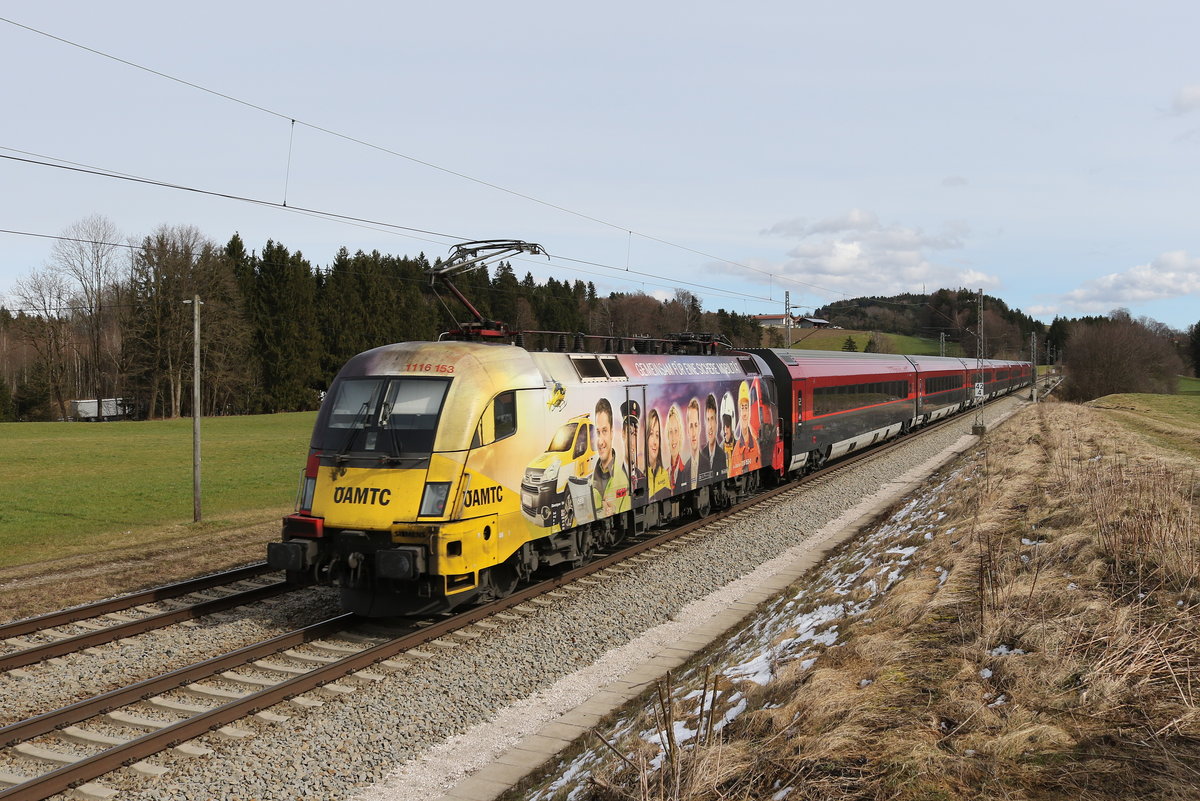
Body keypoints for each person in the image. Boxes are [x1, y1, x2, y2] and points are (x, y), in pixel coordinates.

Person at [591, 398, 629, 517]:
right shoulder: (589, 482)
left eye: (605, 431)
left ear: (612, 433)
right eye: (598, 432)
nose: (600, 441)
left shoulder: (623, 480)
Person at [730, 381, 762, 475]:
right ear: (739, 412)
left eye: (746, 408)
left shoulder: (755, 443)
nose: (744, 413)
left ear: (749, 411)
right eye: (742, 408)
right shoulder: (736, 447)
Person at [620, 399, 645, 502]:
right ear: (623, 434)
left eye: (634, 434)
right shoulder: (616, 476)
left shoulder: (642, 477)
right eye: (630, 433)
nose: (632, 441)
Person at [645, 408, 671, 501]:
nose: (655, 442)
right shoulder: (641, 475)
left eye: (657, 435)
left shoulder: (664, 474)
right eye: (651, 434)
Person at [666, 403, 689, 492]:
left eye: (676, 431)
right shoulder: (665, 473)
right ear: (667, 436)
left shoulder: (687, 470)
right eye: (670, 432)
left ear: (680, 434)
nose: (673, 437)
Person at [703, 392, 726, 478]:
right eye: (708, 419)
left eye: (712, 419)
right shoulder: (702, 455)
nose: (710, 426)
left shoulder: (722, 455)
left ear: (717, 422)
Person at [686, 398, 703, 487]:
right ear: (687, 430)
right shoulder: (684, 470)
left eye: (696, 425)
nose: (693, 433)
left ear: (699, 428)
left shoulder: (708, 464)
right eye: (691, 426)